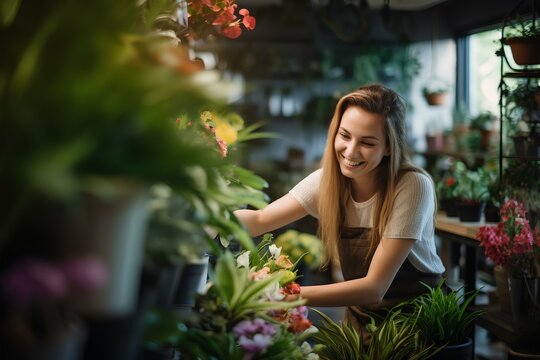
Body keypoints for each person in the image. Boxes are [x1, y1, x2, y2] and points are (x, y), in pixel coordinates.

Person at [234, 83, 445, 333]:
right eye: (345, 135)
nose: (351, 151)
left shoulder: (412, 186)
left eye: (367, 142)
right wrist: (201, 216)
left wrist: (285, 293)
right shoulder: (328, 183)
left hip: (417, 324)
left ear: (389, 147)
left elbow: (374, 289)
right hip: (360, 322)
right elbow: (260, 220)